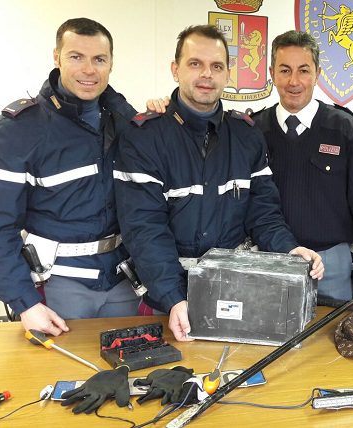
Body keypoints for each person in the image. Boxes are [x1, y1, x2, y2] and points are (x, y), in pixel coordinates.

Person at [113, 25, 324, 342]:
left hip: (233, 289)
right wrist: (173, 297)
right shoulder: (144, 137)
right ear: (176, 70)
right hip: (165, 298)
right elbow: (144, 227)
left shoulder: (247, 135)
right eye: (195, 64)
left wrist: (290, 250)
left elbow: (263, 213)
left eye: (216, 66)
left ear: (228, 74)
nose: (206, 75)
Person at [0, 18, 139, 336]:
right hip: (57, 288)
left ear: (111, 64)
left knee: (125, 375)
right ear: (57, 57)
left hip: (122, 284)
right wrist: (25, 303)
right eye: (76, 57)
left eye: (99, 59)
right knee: (59, 382)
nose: (89, 70)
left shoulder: (126, 122)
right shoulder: (17, 130)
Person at [251, 30, 353, 302]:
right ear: (272, 73)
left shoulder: (344, 126)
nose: (294, 81)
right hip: (269, 259)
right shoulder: (254, 130)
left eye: (304, 70)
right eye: (285, 70)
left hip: (331, 264)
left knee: (330, 340)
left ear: (318, 73)